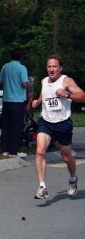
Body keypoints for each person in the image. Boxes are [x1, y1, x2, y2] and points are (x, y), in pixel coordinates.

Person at [31, 54, 85, 199]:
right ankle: (42, 186)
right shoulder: (43, 81)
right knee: (40, 151)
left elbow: (82, 96)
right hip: (46, 122)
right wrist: (37, 101)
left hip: (63, 124)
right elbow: (45, 94)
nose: (51, 69)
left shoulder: (66, 81)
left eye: (55, 66)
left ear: (60, 68)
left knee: (66, 157)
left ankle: (73, 179)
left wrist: (67, 94)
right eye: (49, 66)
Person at [0, 48, 29, 157]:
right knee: (16, 126)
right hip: (18, 100)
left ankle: (4, 149)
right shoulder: (22, 68)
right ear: (21, 57)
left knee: (6, 125)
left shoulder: (5, 67)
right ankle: (14, 150)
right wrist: (29, 83)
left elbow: (0, 81)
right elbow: (24, 84)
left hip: (6, 100)